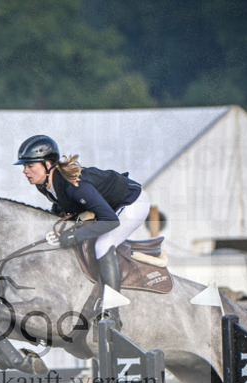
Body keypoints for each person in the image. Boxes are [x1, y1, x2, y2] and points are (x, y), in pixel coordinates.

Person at [15, 134, 151, 327]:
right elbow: (63, 207)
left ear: (47, 164)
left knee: (103, 244)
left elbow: (110, 221)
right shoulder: (44, 184)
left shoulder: (74, 186)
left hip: (132, 203)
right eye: (24, 166)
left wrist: (75, 236)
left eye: (30, 166)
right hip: (108, 206)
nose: (25, 171)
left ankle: (112, 311)